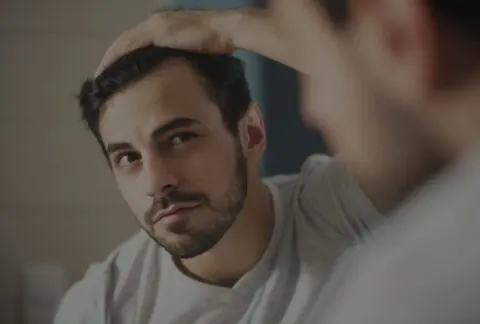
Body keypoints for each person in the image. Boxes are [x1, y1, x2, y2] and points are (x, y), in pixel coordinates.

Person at [72, 0, 480, 323]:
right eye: (128, 157)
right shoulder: (103, 304)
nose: (155, 181)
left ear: (250, 132)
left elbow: (385, 70)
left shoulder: (342, 204)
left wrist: (226, 27)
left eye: (180, 138)